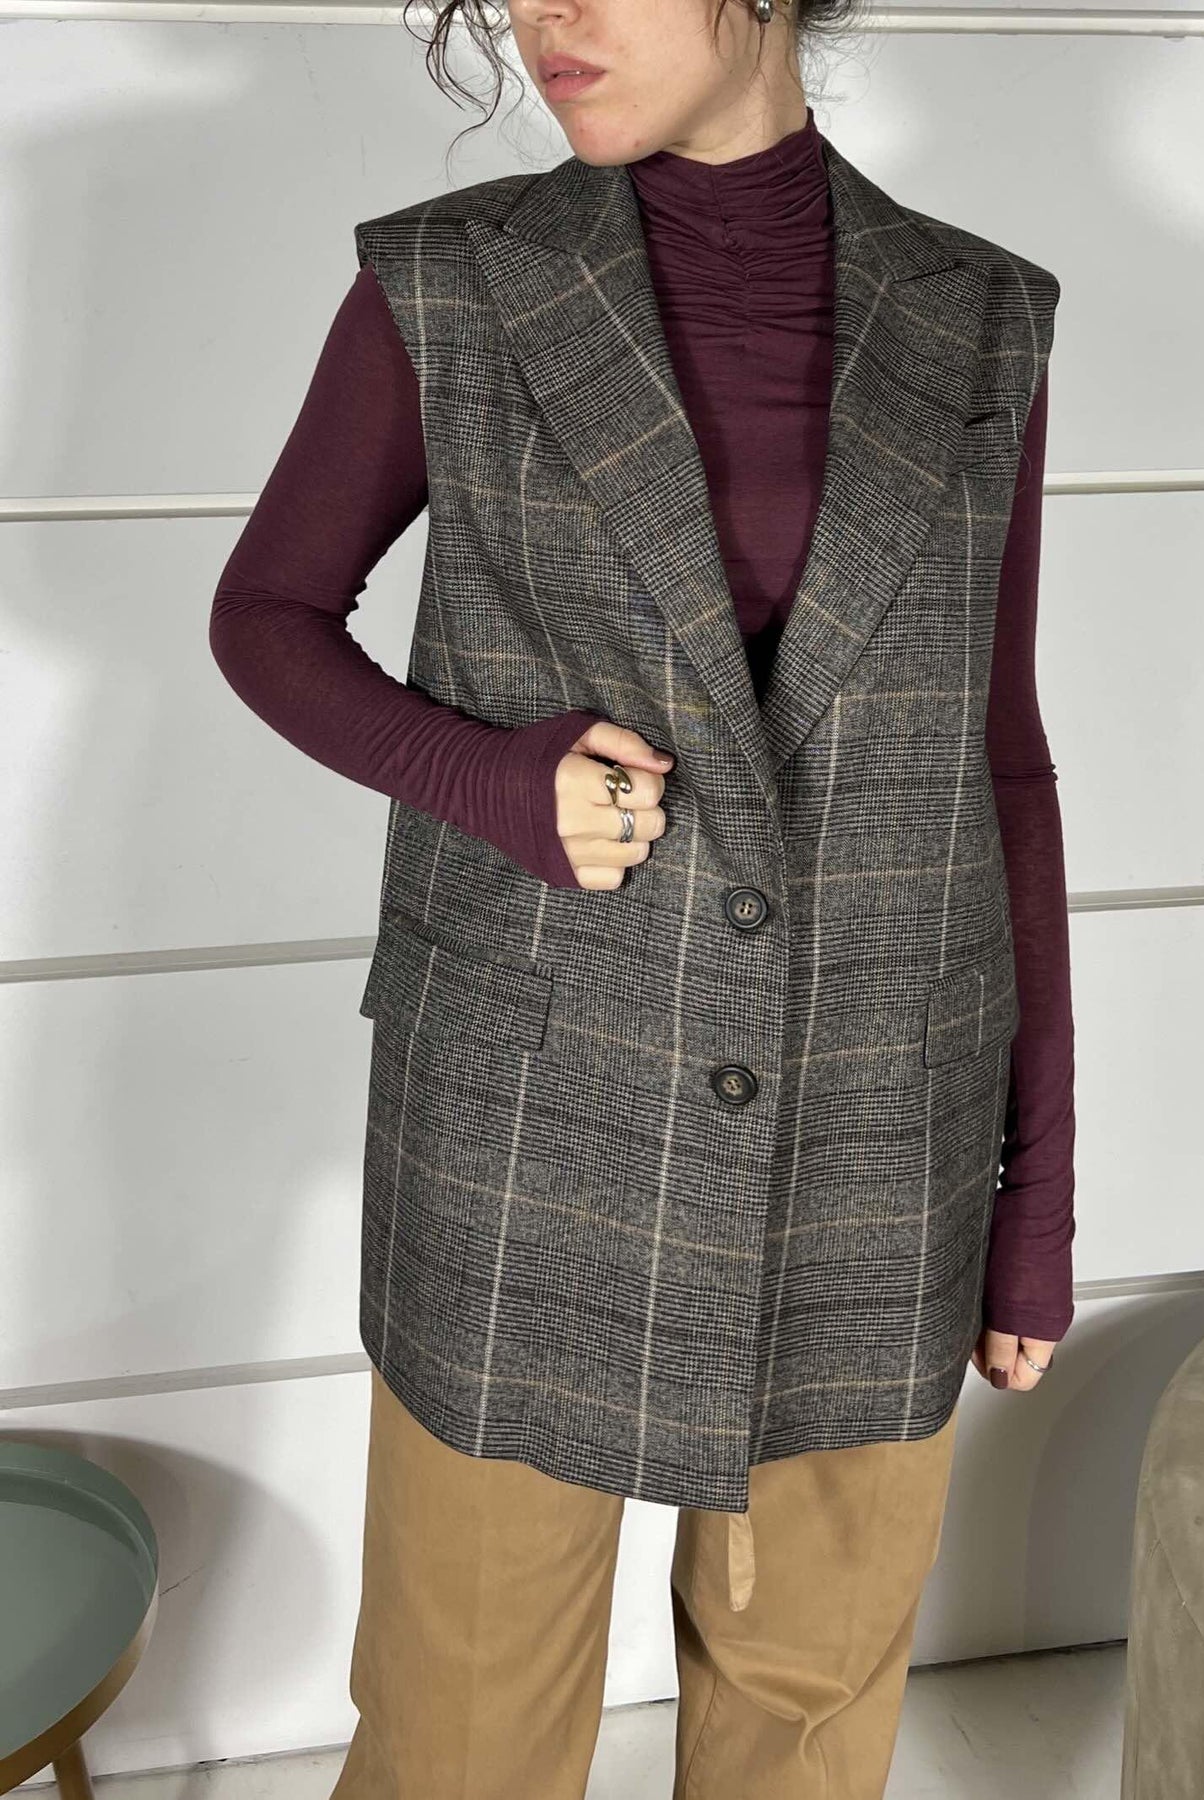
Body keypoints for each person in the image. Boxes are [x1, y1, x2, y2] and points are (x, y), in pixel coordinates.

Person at [209, 0, 1075, 1791]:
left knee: (807, 1715)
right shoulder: (452, 282)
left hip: (877, 1121)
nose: (546, 17)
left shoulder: (983, 313)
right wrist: (488, 778)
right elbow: (269, 614)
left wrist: (1033, 1198)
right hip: (535, 1108)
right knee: (463, 1721)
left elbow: (995, 759)